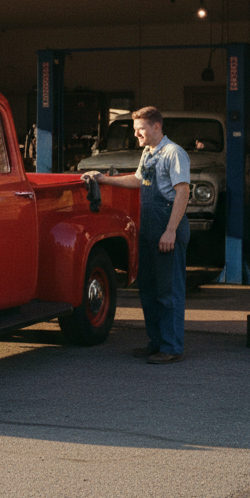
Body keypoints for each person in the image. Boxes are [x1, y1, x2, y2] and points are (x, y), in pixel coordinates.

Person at [83, 106, 190, 363]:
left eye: (140, 129)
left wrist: (170, 231)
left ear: (156, 126)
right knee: (149, 289)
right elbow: (139, 180)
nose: (136, 135)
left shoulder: (174, 153)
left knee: (169, 290)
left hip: (166, 225)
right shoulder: (148, 153)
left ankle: (171, 347)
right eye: (135, 130)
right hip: (149, 227)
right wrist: (104, 179)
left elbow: (183, 191)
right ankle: (156, 342)